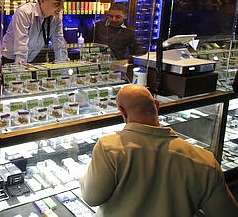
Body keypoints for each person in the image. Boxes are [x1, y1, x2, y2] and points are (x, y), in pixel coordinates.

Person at [79, 84, 238, 217]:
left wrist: (84, 175)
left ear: (122, 111)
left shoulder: (109, 148)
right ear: (156, 105)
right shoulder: (206, 162)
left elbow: (91, 198)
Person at [1, 0, 68, 63]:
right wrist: (20, 72)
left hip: (30, 59)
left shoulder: (57, 17)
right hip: (9, 59)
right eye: (57, 4)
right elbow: (21, 47)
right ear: (42, 0)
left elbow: (59, 42)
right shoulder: (25, 12)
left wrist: (63, 67)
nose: (62, 8)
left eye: (63, 3)